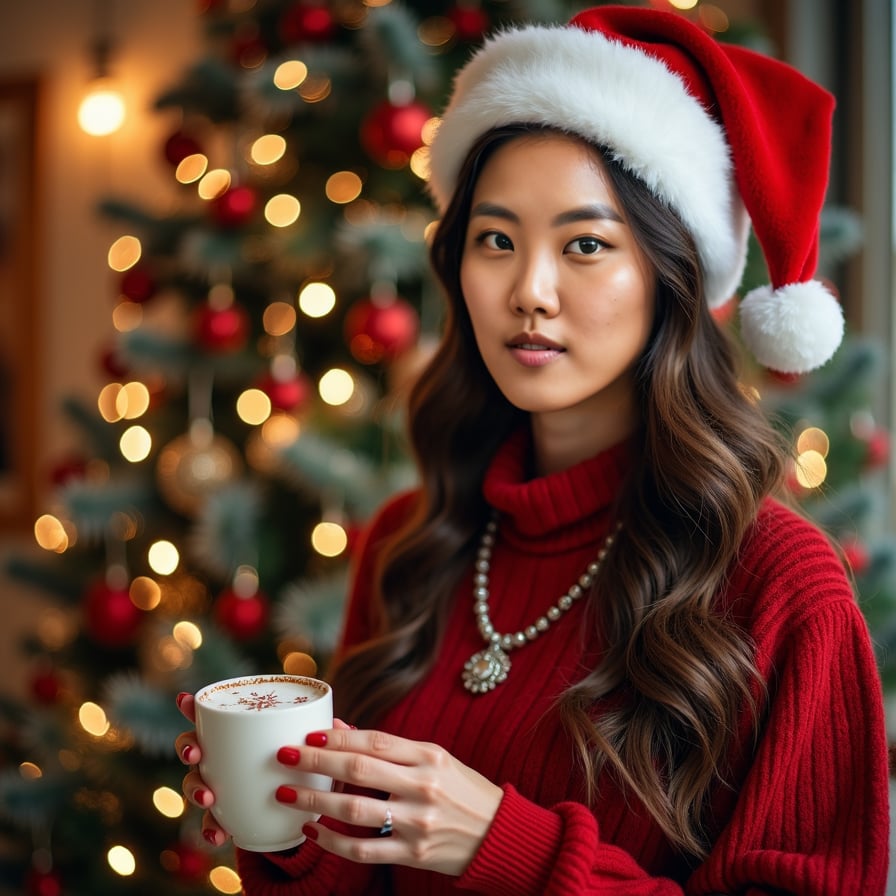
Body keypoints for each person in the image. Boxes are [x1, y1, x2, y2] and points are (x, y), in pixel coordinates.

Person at [176, 6, 890, 894]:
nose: (530, 291)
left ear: (671, 277)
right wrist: (293, 835)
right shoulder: (413, 542)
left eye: (585, 244)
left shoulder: (780, 583)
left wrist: (504, 847)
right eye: (496, 240)